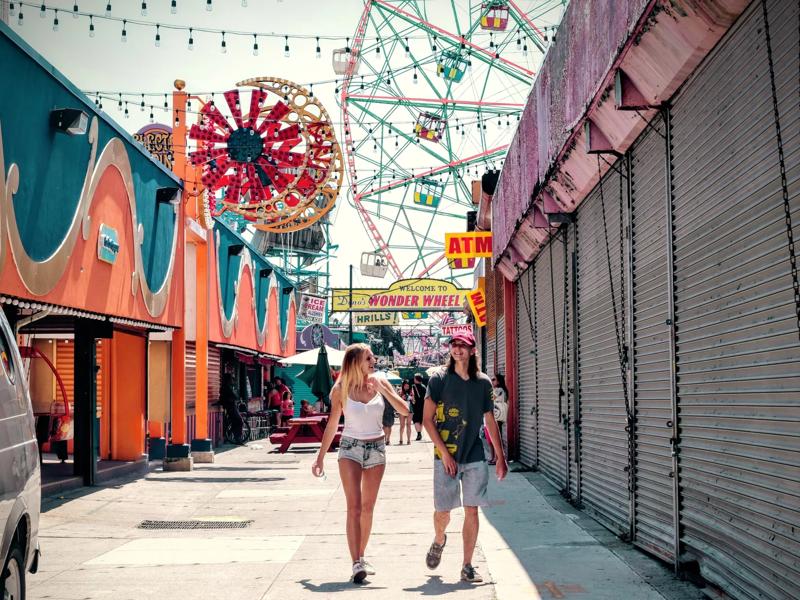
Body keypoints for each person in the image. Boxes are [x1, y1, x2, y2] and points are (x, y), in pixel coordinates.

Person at [311, 343, 409, 584]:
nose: (373, 362)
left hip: (377, 448)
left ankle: (361, 556)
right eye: (368, 358)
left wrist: (384, 391)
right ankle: (356, 562)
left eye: (372, 358)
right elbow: (333, 424)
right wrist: (320, 456)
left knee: (367, 508)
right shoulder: (340, 389)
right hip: (350, 449)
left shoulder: (380, 383)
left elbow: (405, 410)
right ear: (355, 362)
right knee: (354, 507)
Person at [422, 331, 507, 583]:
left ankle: (467, 565)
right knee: (444, 512)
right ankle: (439, 539)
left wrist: (500, 457)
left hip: (475, 455)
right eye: (453, 345)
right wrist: (445, 454)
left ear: (472, 350)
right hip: (444, 455)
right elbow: (427, 420)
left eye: (463, 345)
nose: (457, 349)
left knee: (472, 510)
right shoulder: (438, 379)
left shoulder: (482, 383)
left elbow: (490, 419)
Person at [488, 373, 509, 464]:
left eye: (493, 379)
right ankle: (495, 458)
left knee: (497, 436)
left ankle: (498, 458)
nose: (491, 381)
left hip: (497, 415)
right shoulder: (497, 390)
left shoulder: (499, 390)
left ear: (499, 381)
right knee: (494, 436)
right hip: (496, 415)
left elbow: (490, 398)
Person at [218, 372, 244, 444]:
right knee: (239, 421)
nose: (233, 380)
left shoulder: (226, 387)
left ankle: (232, 436)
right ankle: (237, 438)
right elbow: (234, 396)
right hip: (230, 406)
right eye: (231, 379)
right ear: (228, 380)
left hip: (230, 406)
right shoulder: (227, 387)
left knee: (235, 421)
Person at [411, 373, 426, 441]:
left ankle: (419, 433)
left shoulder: (413, 387)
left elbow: (411, 396)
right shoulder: (424, 387)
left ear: (416, 379)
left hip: (415, 406)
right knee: (421, 419)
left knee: (416, 420)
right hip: (423, 405)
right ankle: (420, 432)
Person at [398, 380, 413, 445]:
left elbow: (414, 401)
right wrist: (401, 398)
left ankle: (408, 440)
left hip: (410, 408)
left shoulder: (412, 392)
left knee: (409, 424)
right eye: (405, 385)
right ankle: (401, 439)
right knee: (402, 425)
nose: (406, 387)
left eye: (408, 385)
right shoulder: (400, 392)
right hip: (402, 408)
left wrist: (411, 398)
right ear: (403, 386)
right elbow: (397, 400)